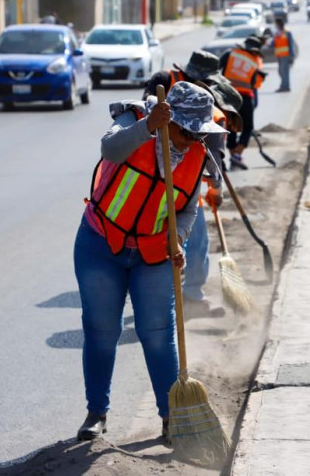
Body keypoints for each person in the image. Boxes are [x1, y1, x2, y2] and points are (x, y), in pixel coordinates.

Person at [75, 81, 227, 441]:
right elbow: (110, 151)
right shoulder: (134, 118)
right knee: (101, 330)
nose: (190, 139)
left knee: (159, 334)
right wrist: (147, 128)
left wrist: (178, 238)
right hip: (101, 243)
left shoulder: (197, 155)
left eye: (197, 132)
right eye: (184, 129)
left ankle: (171, 417)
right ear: (167, 115)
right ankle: (96, 412)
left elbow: (188, 210)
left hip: (154, 252)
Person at [143, 51, 244, 317]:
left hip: (185, 187)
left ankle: (188, 297)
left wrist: (213, 189)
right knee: (166, 243)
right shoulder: (165, 82)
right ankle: (165, 299)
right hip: (152, 180)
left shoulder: (207, 109)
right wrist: (215, 191)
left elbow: (213, 159)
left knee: (193, 240)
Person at [221, 35, 267, 170]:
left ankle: (233, 155)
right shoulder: (256, 60)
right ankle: (237, 155)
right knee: (247, 127)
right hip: (245, 98)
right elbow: (256, 84)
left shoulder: (230, 53)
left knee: (231, 126)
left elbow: (217, 70)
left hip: (228, 96)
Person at [270, 18, 296, 92]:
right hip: (279, 56)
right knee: (281, 71)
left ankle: (285, 87)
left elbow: (291, 44)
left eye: (276, 24)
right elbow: (274, 43)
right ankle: (284, 85)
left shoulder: (287, 32)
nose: (276, 26)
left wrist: (292, 56)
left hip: (286, 55)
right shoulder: (277, 33)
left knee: (285, 72)